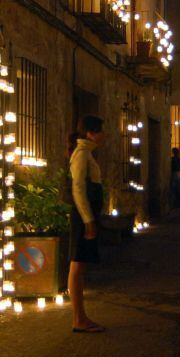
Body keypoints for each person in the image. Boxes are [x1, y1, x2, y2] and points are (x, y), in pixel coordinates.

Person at [68, 116, 105, 333]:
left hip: (86, 216)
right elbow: (78, 189)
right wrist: (88, 220)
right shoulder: (81, 155)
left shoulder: (86, 153)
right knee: (77, 265)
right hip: (83, 217)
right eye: (100, 131)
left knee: (78, 265)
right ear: (90, 133)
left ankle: (80, 317)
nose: (104, 135)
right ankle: (79, 319)